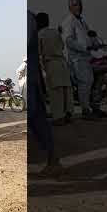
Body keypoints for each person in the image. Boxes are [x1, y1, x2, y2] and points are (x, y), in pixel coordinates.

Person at [61, 0, 107, 119]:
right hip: (77, 60)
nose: (78, 7)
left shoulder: (81, 21)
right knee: (85, 83)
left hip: (87, 57)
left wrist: (98, 44)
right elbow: (69, 41)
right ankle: (85, 111)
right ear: (70, 7)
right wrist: (84, 47)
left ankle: (96, 108)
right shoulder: (69, 22)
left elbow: (89, 36)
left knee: (98, 79)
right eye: (75, 5)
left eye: (79, 5)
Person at [28, 10, 63, 176]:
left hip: (31, 78)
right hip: (34, 77)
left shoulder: (26, 18)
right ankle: (53, 160)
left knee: (35, 119)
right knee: (37, 119)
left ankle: (53, 160)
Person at [36, 12, 74, 125]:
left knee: (55, 92)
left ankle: (58, 117)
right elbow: (62, 46)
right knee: (66, 90)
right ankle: (68, 114)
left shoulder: (39, 35)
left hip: (51, 64)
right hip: (62, 63)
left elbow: (39, 52)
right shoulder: (56, 32)